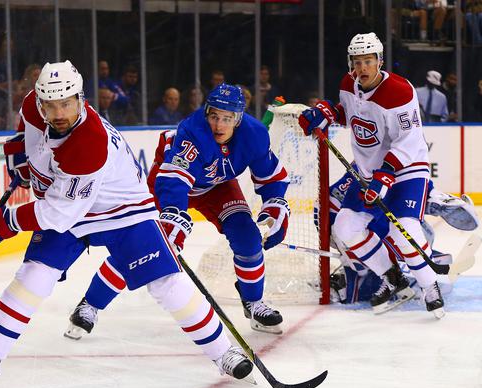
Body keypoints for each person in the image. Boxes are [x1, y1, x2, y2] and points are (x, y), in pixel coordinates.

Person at [0, 61, 254, 388]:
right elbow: (30, 132)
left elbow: (58, 213)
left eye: (66, 104)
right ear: (40, 101)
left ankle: (223, 353)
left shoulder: (88, 143)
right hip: (71, 203)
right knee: (34, 276)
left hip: (122, 207)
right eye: (51, 105)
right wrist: (23, 155)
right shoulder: (34, 104)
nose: (59, 113)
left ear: (80, 98)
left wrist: (0, 223)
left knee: (166, 283)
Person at [64, 83, 291, 341]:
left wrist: (275, 205)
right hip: (168, 185)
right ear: (206, 112)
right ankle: (90, 305)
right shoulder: (193, 130)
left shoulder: (255, 135)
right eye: (214, 115)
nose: (218, 125)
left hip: (218, 187)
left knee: (248, 237)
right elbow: (176, 179)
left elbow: (270, 176)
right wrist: (173, 213)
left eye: (226, 118)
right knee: (143, 248)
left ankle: (254, 303)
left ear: (238, 119)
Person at [298, 32, 445, 318]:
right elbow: (352, 115)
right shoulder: (347, 84)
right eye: (357, 61)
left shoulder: (400, 92)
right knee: (345, 228)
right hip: (368, 171)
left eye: (368, 61)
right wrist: (329, 113)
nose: (362, 67)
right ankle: (392, 277)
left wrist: (386, 175)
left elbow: (409, 141)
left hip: (407, 169)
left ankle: (431, 286)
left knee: (403, 229)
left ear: (380, 61)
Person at [324, 170, 479, 305]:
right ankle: (408, 277)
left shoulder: (373, 166)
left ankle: (410, 272)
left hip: (367, 223)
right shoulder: (364, 172)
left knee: (422, 235)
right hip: (361, 228)